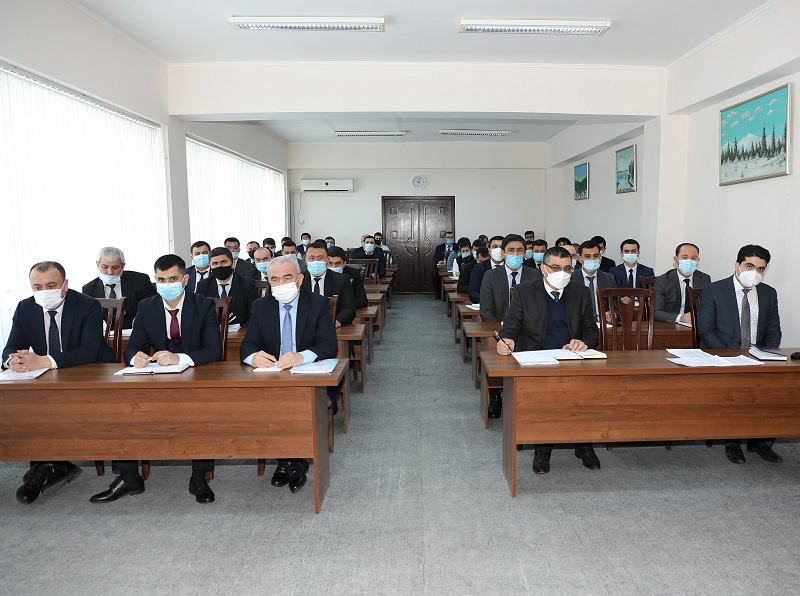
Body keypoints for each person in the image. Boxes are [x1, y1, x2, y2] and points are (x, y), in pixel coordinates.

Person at [90, 254, 222, 504]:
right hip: (158, 378)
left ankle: (198, 478)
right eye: (161, 280)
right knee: (123, 405)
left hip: (197, 376)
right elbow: (132, 348)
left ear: (185, 280)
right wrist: (135, 357)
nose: (167, 284)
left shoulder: (203, 305)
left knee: (201, 410)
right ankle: (129, 478)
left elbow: (214, 351)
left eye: (173, 279)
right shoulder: (147, 306)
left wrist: (179, 358)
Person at [4, 261, 116, 504]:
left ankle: (46, 467)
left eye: (51, 285)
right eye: (37, 287)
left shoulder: (87, 305)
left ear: (65, 285)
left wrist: (43, 361)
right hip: (49, 378)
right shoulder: (25, 308)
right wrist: (13, 361)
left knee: (50, 404)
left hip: (92, 373)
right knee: (23, 403)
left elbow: (89, 352)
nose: (44, 291)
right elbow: (11, 347)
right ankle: (48, 464)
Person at [497, 247, 601, 474]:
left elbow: (591, 329)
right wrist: (506, 341)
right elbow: (510, 327)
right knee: (546, 400)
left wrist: (583, 341)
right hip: (538, 359)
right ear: (543, 269)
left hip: (572, 358)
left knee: (585, 397)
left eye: (567, 268)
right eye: (555, 268)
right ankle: (543, 449)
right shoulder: (524, 292)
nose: (562, 273)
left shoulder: (580, 292)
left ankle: (584, 444)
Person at [240, 256, 338, 494]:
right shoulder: (261, 306)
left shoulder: (317, 303)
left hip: (307, 378)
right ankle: (292, 462)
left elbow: (329, 345)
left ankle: (287, 462)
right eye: (274, 279)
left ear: (299, 279)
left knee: (288, 405)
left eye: (287, 278)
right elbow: (247, 346)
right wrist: (254, 357)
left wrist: (302, 356)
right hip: (273, 378)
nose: (281, 284)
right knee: (261, 405)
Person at [696, 244, 782, 465]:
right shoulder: (714, 290)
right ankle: (732, 443)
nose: (755, 272)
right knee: (734, 391)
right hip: (722, 356)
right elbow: (706, 331)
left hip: (758, 356)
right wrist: (732, 357)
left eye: (761, 269)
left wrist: (766, 356)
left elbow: (774, 330)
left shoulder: (769, 293)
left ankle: (760, 442)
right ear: (737, 265)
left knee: (777, 391)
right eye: (749, 266)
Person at [480, 234, 541, 418]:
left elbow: (540, 308)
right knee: (495, 347)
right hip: (499, 330)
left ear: (525, 253)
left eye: (520, 250)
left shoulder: (534, 275)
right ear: (503, 253)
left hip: (528, 330)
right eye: (511, 250)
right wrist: (504, 333)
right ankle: (495, 395)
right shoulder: (491, 276)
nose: (516, 254)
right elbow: (486, 311)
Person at [82, 246, 156, 329]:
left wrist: (142, 319)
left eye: (115, 268)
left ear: (123, 266)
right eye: (105, 267)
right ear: (97, 264)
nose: (110, 272)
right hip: (105, 333)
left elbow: (153, 305)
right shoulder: (88, 289)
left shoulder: (140, 280)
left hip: (135, 329)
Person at [196, 247, 257, 327]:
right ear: (210, 266)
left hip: (241, 330)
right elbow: (199, 315)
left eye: (223, 262)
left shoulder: (248, 284)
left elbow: (253, 315)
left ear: (233, 263)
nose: (219, 266)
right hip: (212, 331)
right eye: (215, 263)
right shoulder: (202, 286)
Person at [301, 242, 356, 329]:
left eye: (320, 258)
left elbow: (349, 309)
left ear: (327, 260)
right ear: (306, 260)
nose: (316, 261)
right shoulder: (299, 281)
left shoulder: (341, 280)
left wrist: (336, 322)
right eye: (312, 258)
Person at [654, 243, 712, 324]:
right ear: (676, 259)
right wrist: (680, 318)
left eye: (693, 258)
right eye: (685, 257)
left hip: (695, 324)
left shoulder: (704, 279)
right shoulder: (663, 280)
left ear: (698, 260)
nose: (689, 261)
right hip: (671, 324)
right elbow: (656, 312)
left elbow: (709, 307)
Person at [571, 240, 617, 325]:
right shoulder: (571, 279)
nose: (592, 259)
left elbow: (616, 306)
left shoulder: (609, 279)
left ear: (600, 257)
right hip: (580, 326)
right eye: (587, 256)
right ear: (580, 259)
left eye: (595, 256)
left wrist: (613, 315)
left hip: (604, 325)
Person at [469, 235, 504, 304]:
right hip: (486, 304)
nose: (498, 250)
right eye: (495, 247)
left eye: (501, 247)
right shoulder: (479, 267)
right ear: (489, 250)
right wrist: (486, 302)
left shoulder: (512, 266)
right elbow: (473, 292)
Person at [432, 231, 456, 299]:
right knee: (434, 274)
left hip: (453, 266)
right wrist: (439, 261)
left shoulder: (456, 246)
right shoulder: (439, 247)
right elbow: (435, 257)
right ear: (445, 238)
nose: (450, 239)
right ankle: (438, 294)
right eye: (448, 237)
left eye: (451, 237)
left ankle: (451, 293)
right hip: (442, 266)